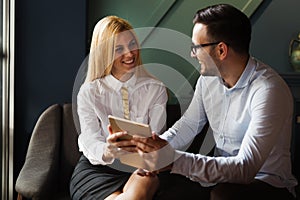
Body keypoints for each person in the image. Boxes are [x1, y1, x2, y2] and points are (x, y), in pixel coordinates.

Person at [132, 4, 298, 200]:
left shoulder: (268, 90)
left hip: (265, 183)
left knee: (222, 195)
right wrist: (156, 148)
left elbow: (245, 169)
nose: (192, 54)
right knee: (164, 187)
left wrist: (172, 161)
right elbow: (188, 125)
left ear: (221, 50)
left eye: (196, 47)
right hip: (221, 177)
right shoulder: (207, 80)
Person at [69, 16, 168, 200]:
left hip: (141, 165)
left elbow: (155, 137)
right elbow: (90, 139)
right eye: (119, 49)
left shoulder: (155, 88)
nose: (130, 54)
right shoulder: (89, 92)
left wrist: (145, 156)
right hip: (97, 169)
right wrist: (109, 150)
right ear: (104, 53)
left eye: (132, 44)